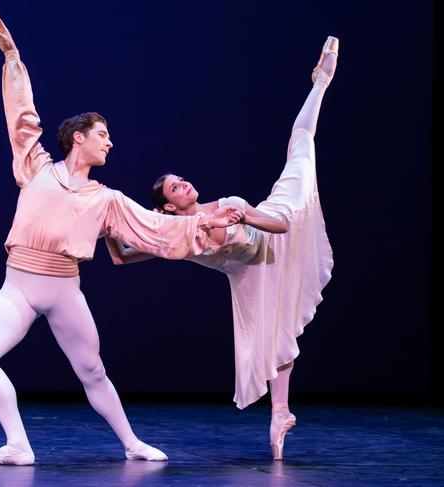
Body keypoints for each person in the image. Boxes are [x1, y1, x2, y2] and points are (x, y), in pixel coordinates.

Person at [0, 13, 242, 466]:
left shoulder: (106, 199)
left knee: (92, 370)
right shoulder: (36, 166)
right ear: (79, 139)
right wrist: (13, 59)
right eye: (103, 136)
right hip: (17, 285)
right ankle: (18, 444)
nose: (110, 144)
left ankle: (132, 443)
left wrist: (201, 225)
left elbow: (154, 229)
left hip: (62, 289)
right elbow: (22, 118)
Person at [105, 36, 338, 460]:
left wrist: (246, 215)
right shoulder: (175, 234)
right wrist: (105, 222)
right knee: (276, 336)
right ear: (167, 205)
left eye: (182, 179)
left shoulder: (228, 206)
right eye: (176, 187)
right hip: (250, 275)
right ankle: (280, 413)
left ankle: (319, 82)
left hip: (272, 229)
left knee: (301, 144)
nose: (185, 184)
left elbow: (282, 224)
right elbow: (121, 257)